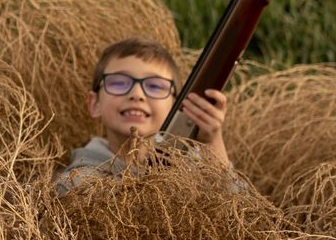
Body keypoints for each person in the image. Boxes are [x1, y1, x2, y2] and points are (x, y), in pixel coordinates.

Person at [54, 38, 235, 193]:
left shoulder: (193, 170)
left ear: (175, 106)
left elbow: (243, 215)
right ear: (94, 104)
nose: (137, 94)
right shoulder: (75, 184)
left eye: (155, 86)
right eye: (119, 83)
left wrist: (212, 142)